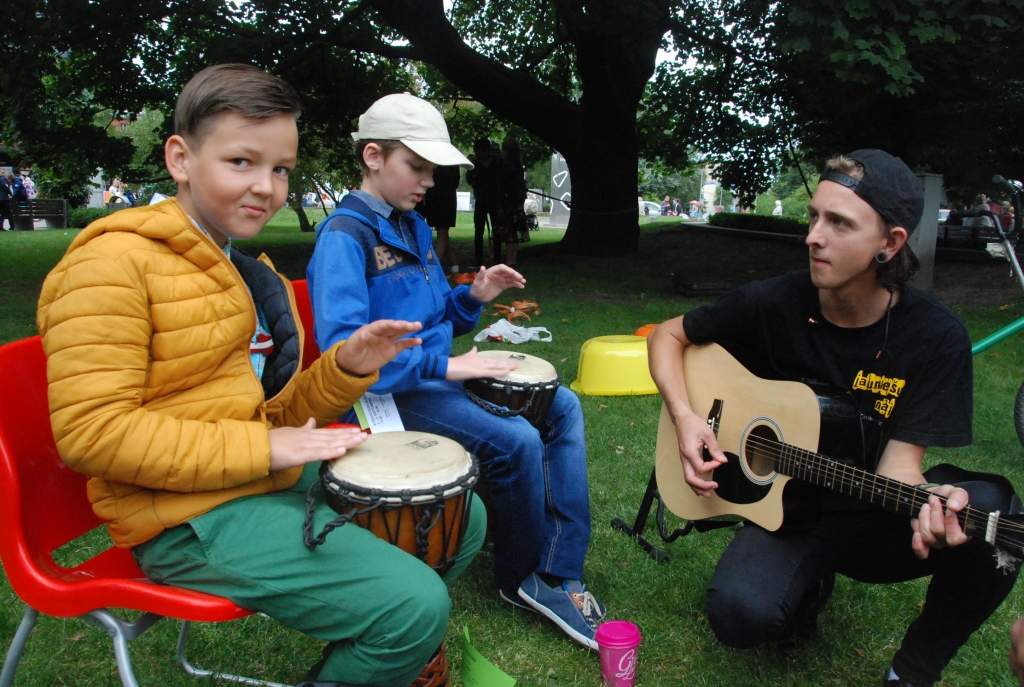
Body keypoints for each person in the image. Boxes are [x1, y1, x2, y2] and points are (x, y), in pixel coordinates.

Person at [35, 64, 485, 687]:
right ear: (180, 158)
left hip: (246, 477)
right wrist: (264, 446)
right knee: (415, 602)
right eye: (241, 162)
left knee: (465, 516)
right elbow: (92, 435)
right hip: (177, 520)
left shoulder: (241, 268)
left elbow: (268, 409)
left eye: (280, 169)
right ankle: (400, 633)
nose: (266, 187)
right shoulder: (111, 265)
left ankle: (389, 653)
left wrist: (348, 367)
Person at [648, 149, 1020, 687]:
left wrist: (930, 505)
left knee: (992, 516)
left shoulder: (936, 337)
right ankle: (806, 589)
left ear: (888, 245)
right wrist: (685, 417)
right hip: (785, 511)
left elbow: (900, 468)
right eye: (815, 216)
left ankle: (909, 673)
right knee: (740, 615)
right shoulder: (775, 301)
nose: (813, 237)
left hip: (872, 512)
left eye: (839, 223)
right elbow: (668, 335)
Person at [307, 92, 607, 650]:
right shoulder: (345, 238)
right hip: (388, 395)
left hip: (431, 375)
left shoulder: (415, 227)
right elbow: (345, 355)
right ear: (373, 156)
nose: (428, 181)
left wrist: (472, 296)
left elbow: (438, 317)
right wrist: (448, 366)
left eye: (432, 170)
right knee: (516, 439)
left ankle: (559, 565)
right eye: (416, 167)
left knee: (560, 404)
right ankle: (521, 579)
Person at [417, 163, 459, 270]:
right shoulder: (451, 163)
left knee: (442, 234)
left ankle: (434, 268)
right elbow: (455, 182)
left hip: (440, 201)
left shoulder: (437, 162)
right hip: (443, 201)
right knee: (443, 235)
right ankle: (454, 265)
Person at [493, 136, 528, 266]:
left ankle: (509, 261)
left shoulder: (506, 165)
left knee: (509, 235)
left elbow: (503, 185)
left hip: (508, 203)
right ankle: (512, 260)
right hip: (516, 203)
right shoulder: (517, 165)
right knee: (514, 234)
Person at [465, 137, 499, 267]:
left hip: (494, 201)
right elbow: (469, 179)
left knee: (496, 231)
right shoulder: (476, 165)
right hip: (481, 200)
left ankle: (496, 257)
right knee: (478, 231)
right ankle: (478, 260)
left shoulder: (496, 163)